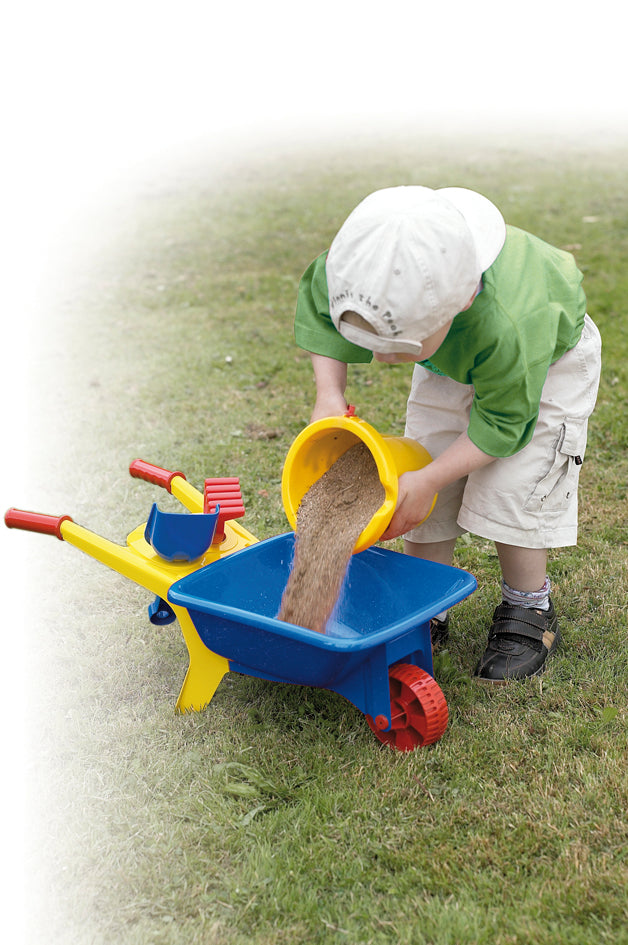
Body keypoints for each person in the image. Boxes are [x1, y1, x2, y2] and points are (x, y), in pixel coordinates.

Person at [293, 185, 601, 683]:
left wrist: (434, 479)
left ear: (464, 299)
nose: (385, 361)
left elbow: (504, 422)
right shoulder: (362, 267)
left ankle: (529, 608)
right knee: (420, 465)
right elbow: (319, 314)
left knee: (514, 486)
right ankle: (425, 599)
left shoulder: (507, 321)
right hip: (454, 355)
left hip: (544, 365)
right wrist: (328, 396)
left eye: (400, 348)